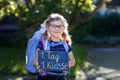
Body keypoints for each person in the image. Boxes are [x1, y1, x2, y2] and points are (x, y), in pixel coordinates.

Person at [33, 13, 75, 80]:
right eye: (53, 26)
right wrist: (38, 65)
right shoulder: (43, 44)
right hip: (44, 78)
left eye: (60, 26)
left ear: (64, 27)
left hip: (60, 77)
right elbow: (35, 62)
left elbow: (72, 61)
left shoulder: (65, 45)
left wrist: (64, 66)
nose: (57, 28)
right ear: (47, 27)